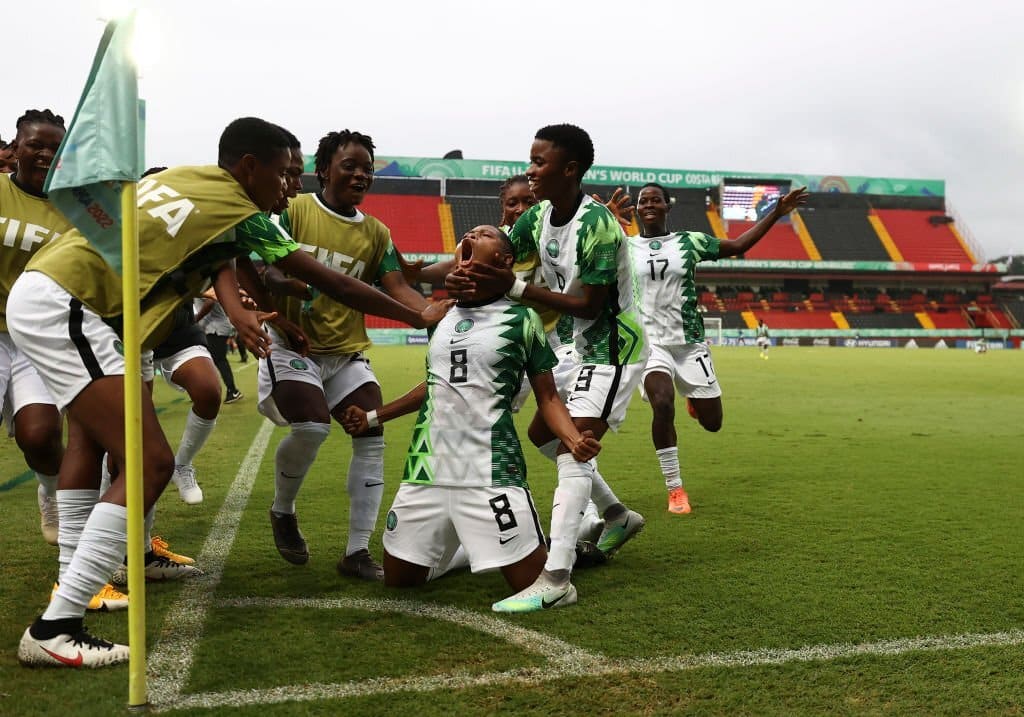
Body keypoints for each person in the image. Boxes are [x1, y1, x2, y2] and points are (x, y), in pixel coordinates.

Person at [12, 116, 450, 668]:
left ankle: (80, 590)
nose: (290, 187)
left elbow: (217, 261)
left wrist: (242, 308)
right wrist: (422, 311)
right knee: (149, 463)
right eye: (285, 174)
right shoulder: (244, 212)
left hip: (65, 298)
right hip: (73, 302)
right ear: (250, 167)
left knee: (97, 446)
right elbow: (332, 282)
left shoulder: (185, 179)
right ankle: (57, 624)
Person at [341, 225, 600, 603]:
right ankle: (470, 548)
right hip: (427, 468)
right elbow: (435, 385)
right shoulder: (440, 316)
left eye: (483, 234)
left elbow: (547, 397)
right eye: (468, 235)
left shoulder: (522, 319)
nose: (471, 235)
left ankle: (566, 553)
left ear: (504, 260)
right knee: (399, 582)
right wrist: (373, 417)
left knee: (530, 586)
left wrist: (573, 438)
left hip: (490, 470)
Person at [452, 124, 649, 612]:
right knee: (544, 434)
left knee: (571, 452)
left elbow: (588, 304)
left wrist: (514, 288)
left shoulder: (599, 225)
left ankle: (557, 577)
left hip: (614, 348)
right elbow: (501, 256)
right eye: (530, 160)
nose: (530, 170)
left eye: (539, 163)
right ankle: (616, 516)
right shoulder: (538, 215)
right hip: (581, 350)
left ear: (570, 169)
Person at [257, 129, 439, 580]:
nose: (361, 174)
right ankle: (283, 510)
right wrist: (284, 285)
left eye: (367, 168)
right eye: (350, 166)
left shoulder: (377, 232)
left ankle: (357, 552)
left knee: (372, 435)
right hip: (291, 344)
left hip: (345, 354)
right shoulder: (293, 210)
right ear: (323, 170)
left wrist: (433, 312)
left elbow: (398, 287)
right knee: (313, 427)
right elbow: (264, 268)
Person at [629, 182, 807, 514]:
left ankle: (696, 402)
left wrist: (776, 213)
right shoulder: (624, 247)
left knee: (713, 423)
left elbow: (738, 245)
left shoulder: (689, 241)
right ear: (637, 209)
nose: (649, 204)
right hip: (650, 344)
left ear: (668, 207)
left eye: (656, 200)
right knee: (663, 404)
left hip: (690, 344)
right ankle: (675, 489)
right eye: (643, 201)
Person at [195, 294, 244, 403]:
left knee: (219, 359)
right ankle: (203, 390)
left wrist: (196, 319)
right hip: (211, 327)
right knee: (207, 360)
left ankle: (233, 390)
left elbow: (210, 302)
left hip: (216, 328)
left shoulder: (203, 285)